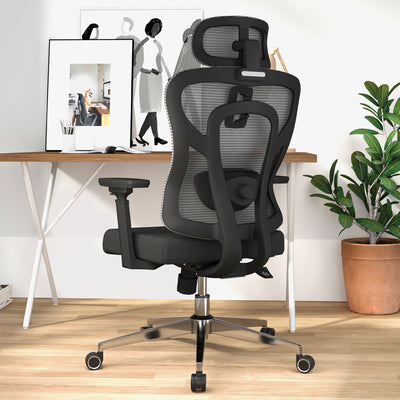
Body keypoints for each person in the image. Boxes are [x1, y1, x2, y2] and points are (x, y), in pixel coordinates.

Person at [135, 18, 171, 146]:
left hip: (157, 79)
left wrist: (169, 75)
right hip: (148, 78)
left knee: (153, 110)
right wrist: (148, 71)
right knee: (151, 109)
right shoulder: (143, 43)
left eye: (159, 27)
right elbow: (135, 62)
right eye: (155, 26)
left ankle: (140, 135)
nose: (157, 29)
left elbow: (162, 60)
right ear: (149, 27)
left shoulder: (157, 43)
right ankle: (156, 137)